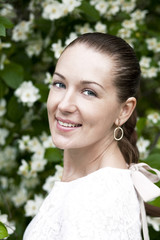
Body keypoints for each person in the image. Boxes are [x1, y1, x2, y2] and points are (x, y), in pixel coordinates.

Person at [23, 33, 160, 240]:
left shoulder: (96, 201)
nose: (64, 105)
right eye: (60, 84)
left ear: (124, 110)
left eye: (89, 92)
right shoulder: (89, 186)